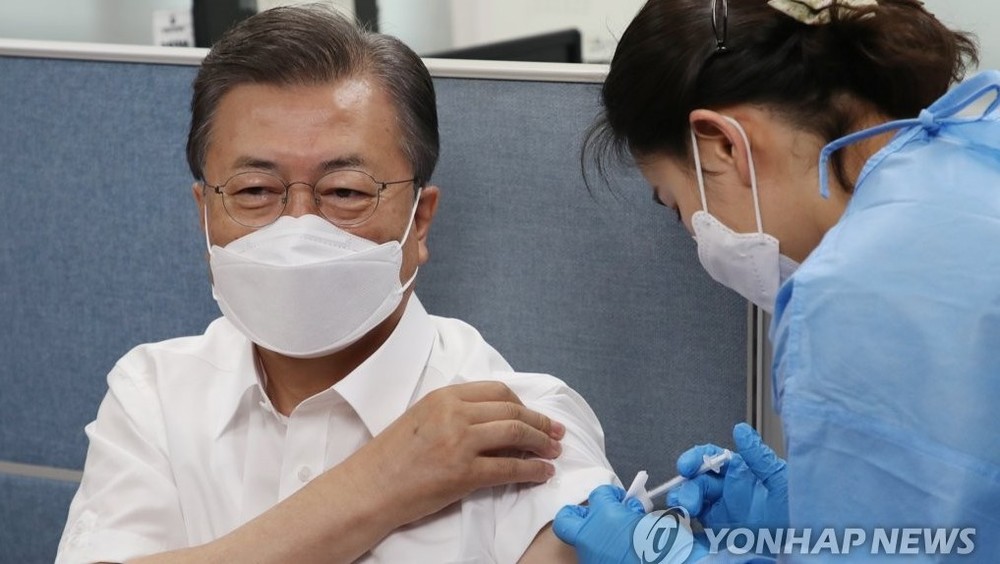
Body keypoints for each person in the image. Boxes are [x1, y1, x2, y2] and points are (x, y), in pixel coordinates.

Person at [56, 6, 617, 563]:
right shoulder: (155, 394)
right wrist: (376, 485)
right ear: (205, 214)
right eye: (254, 191)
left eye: (346, 191)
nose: (298, 228)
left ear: (420, 221)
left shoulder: (514, 421)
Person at [554, 0, 999, 561]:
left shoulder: (845, 297)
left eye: (677, 206)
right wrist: (813, 512)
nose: (695, 236)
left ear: (723, 143)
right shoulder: (973, 147)